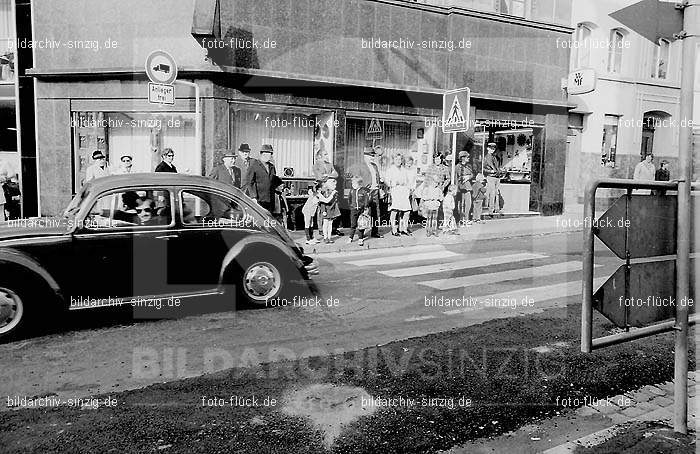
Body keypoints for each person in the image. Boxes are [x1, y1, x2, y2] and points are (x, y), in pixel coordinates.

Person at [385, 152, 412, 236]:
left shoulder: (404, 170)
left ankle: (404, 229)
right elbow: (386, 181)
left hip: (404, 192)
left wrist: (408, 187)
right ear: (393, 160)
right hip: (395, 192)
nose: (398, 161)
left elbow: (408, 181)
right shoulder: (390, 170)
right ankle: (394, 230)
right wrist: (395, 183)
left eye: (399, 159)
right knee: (395, 211)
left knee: (406, 211)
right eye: (396, 159)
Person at [244, 144, 276, 211]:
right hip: (259, 200)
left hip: (270, 200)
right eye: (265, 154)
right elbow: (249, 182)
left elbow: (273, 181)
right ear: (261, 154)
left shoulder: (272, 167)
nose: (268, 156)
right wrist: (253, 197)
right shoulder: (254, 165)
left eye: (269, 154)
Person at [347, 176, 370, 246]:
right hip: (354, 210)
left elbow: (366, 200)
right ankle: (351, 237)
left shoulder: (363, 192)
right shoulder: (351, 191)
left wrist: (365, 208)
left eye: (354, 184)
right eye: (352, 184)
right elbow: (349, 199)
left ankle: (360, 238)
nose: (352, 185)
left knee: (361, 225)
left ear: (359, 184)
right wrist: (351, 206)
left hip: (361, 210)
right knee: (353, 224)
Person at [316, 178, 340, 244]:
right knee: (325, 224)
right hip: (326, 210)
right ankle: (325, 237)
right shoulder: (325, 192)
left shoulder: (334, 193)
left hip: (332, 210)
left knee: (330, 224)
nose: (335, 186)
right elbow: (324, 202)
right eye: (334, 185)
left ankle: (329, 237)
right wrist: (323, 211)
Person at [483, 142, 503, 214]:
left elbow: (496, 166)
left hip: (496, 177)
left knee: (496, 193)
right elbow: (483, 169)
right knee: (492, 193)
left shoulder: (494, 157)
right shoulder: (486, 157)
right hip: (491, 177)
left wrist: (500, 171)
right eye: (491, 148)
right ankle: (491, 209)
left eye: (494, 148)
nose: (493, 150)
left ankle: (496, 208)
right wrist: (490, 171)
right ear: (487, 148)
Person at [455, 150, 473, 225]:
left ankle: (466, 218)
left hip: (468, 186)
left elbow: (472, 174)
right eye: (467, 157)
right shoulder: (458, 167)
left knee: (468, 203)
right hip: (461, 187)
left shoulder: (468, 166)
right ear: (463, 158)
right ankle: (461, 219)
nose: (468, 158)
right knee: (461, 204)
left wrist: (468, 177)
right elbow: (456, 176)